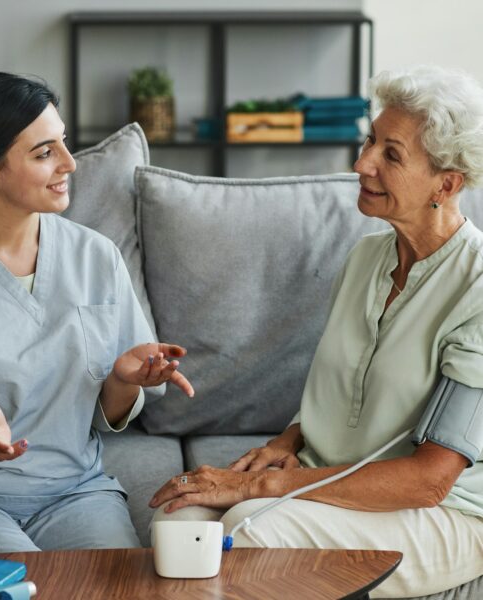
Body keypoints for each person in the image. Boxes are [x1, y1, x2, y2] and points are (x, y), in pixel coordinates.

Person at [150, 65, 483, 598]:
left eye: (390, 155)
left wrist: (262, 485)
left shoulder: (478, 288)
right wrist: (288, 440)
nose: (362, 163)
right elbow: (346, 386)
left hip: (442, 515)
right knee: (176, 521)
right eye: (370, 140)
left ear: (446, 183)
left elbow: (430, 480)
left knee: (251, 530)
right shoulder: (366, 259)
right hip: (325, 476)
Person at [0, 72, 194, 562]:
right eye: (44, 152)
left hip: (74, 494)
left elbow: (102, 413)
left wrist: (123, 379)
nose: (70, 164)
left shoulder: (96, 256)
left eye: (64, 143)